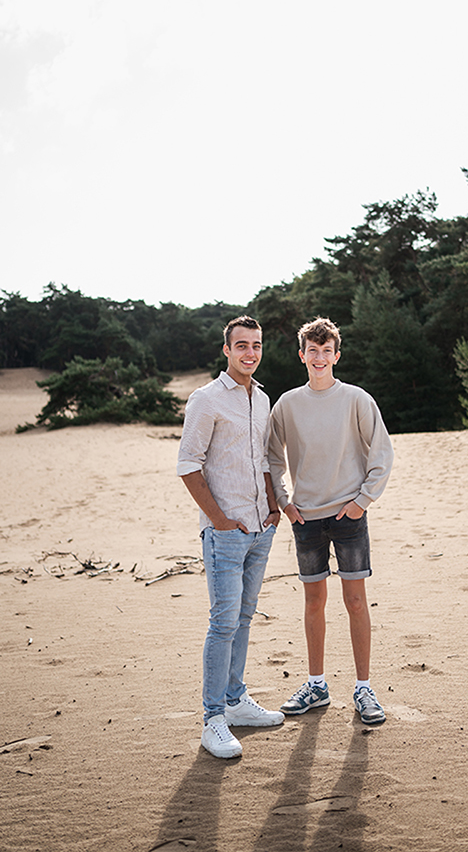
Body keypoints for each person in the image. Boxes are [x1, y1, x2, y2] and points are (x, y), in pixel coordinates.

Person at [268, 317, 394, 725]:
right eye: (313, 351)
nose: (319, 358)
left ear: (336, 356)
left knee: (355, 601)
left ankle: (364, 688)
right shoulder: (287, 404)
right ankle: (316, 685)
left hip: (348, 516)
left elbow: (382, 453)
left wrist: (362, 501)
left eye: (327, 351)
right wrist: (284, 502)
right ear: (301, 355)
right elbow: (272, 458)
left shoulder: (356, 399)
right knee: (313, 602)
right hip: (306, 519)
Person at [177, 316, 284, 759]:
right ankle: (213, 719)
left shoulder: (262, 398)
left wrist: (274, 507)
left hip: (261, 528)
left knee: (243, 617)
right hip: (226, 533)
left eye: (256, 345)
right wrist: (219, 520)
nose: (250, 353)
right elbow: (188, 464)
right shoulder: (206, 399)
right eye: (242, 345)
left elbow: (264, 460)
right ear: (227, 350)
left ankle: (236, 700)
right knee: (223, 623)